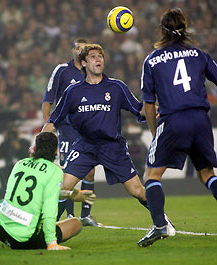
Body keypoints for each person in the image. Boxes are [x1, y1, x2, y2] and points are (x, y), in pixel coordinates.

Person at [40, 43, 176, 238]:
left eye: (100, 56)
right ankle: (45, 225)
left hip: (112, 147)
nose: (98, 60)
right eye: (93, 57)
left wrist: (155, 109)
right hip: (85, 146)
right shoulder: (73, 91)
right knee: (60, 187)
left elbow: (138, 110)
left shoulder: (116, 87)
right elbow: (53, 120)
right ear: (84, 63)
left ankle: (162, 220)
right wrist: (40, 143)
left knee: (137, 190)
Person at [137, 8, 217, 247]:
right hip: (201, 119)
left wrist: (154, 131)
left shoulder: (152, 59)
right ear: (185, 28)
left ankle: (160, 225)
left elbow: (149, 104)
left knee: (152, 175)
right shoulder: (199, 54)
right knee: (207, 175)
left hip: (173, 120)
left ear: (162, 30)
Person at [0, 132, 96, 250]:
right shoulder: (54, 172)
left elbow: (34, 191)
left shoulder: (20, 163)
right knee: (75, 224)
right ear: (56, 150)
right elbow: (49, 210)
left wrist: (70, 195)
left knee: (2, 203)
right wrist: (52, 243)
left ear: (35, 148)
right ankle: (48, 239)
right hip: (22, 239)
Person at [42, 38, 98, 226]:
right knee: (68, 174)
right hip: (66, 129)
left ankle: (85, 216)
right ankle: (68, 215)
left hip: (85, 129)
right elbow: (48, 99)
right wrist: (47, 130)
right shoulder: (62, 70)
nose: (80, 51)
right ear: (73, 50)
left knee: (90, 171)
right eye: (78, 48)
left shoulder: (90, 72)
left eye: (84, 49)